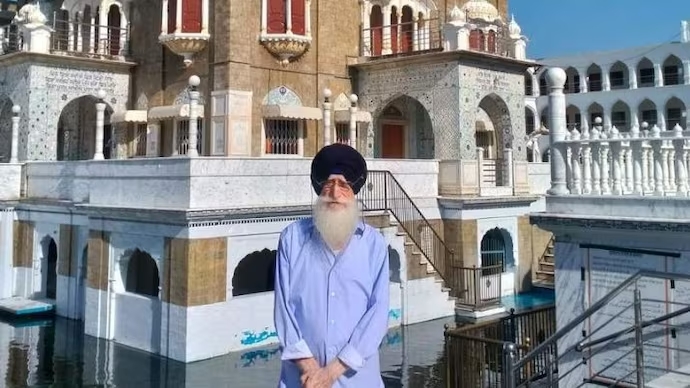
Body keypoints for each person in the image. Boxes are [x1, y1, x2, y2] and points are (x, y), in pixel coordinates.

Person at [273, 143, 390, 388]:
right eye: (329, 184)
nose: (335, 193)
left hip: (357, 381)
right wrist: (311, 369)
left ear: (354, 192)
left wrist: (331, 373)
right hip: (302, 380)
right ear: (320, 189)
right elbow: (284, 311)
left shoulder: (374, 245)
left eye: (344, 186)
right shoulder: (293, 239)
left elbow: (377, 315)